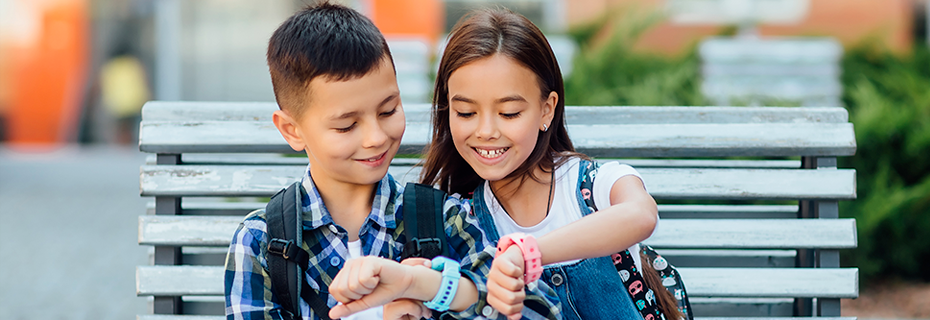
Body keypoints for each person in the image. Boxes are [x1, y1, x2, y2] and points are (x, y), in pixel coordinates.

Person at [223, 3, 562, 319]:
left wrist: (429, 287)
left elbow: (539, 309)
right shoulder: (263, 241)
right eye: (347, 125)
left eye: (388, 111)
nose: (376, 137)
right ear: (292, 130)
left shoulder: (442, 219)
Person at [413, 8, 688, 320]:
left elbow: (640, 215)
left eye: (509, 113)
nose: (486, 131)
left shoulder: (592, 184)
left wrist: (526, 253)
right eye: (465, 113)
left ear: (546, 110)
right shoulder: (463, 221)